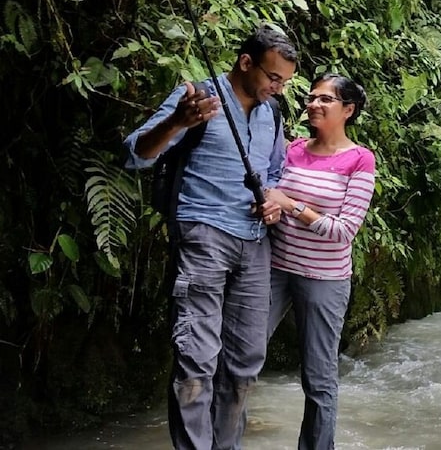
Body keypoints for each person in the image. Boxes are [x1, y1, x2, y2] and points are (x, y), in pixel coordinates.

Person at [124, 25, 296, 450]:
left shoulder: (271, 112)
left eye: (285, 83)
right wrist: (177, 122)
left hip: (255, 243)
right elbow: (135, 154)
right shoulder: (200, 99)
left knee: (245, 362)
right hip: (203, 236)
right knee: (196, 357)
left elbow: (274, 173)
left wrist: (272, 200)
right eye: (272, 78)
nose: (277, 88)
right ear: (245, 63)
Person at [264, 74, 376, 450]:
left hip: (325, 278)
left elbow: (344, 231)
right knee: (240, 355)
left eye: (325, 99)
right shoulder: (293, 149)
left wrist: (291, 206)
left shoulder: (359, 160)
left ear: (348, 110)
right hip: (275, 269)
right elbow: (271, 197)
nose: (313, 104)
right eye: (312, 97)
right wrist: (271, 210)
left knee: (319, 377)